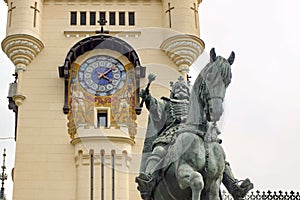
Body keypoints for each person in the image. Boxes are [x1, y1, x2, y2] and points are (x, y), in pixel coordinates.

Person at [136, 76, 253, 200]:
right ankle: (149, 179)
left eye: (184, 88)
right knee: (159, 150)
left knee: (218, 154)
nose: (181, 89)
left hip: (196, 132)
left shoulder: (196, 106)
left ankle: (234, 186)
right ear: (173, 92)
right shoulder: (166, 103)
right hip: (172, 133)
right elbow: (155, 108)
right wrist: (148, 98)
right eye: (178, 88)